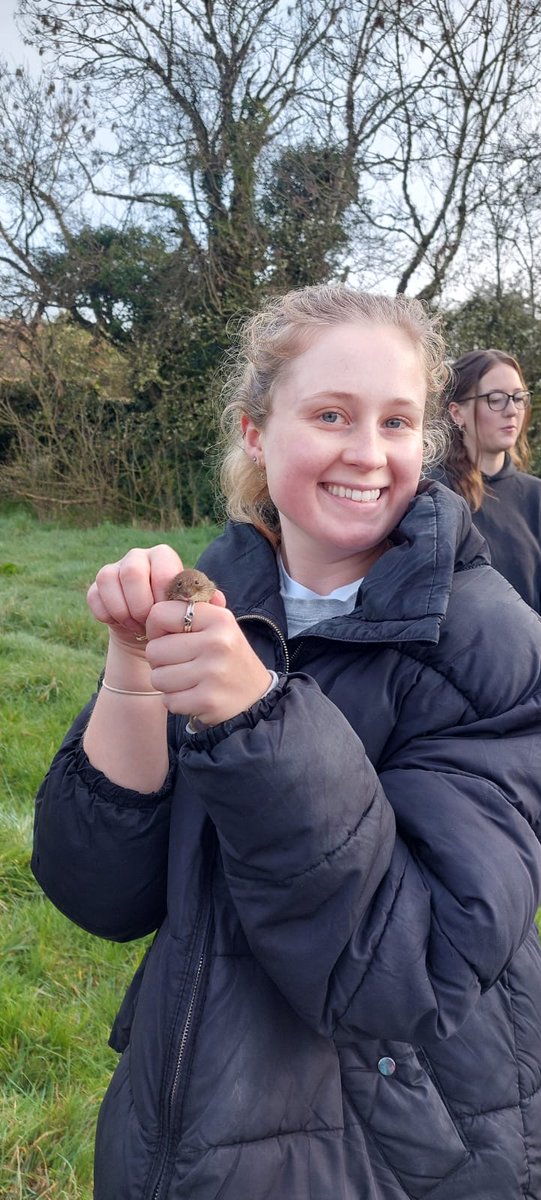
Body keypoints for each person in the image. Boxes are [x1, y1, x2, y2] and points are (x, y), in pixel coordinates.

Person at [32, 285, 541, 1200]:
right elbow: (99, 894)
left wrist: (255, 717)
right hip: (178, 1124)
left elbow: (407, 975)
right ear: (257, 432)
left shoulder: (486, 641)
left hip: (396, 1154)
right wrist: (132, 666)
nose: (365, 452)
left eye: (396, 421)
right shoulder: (217, 600)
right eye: (331, 414)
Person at [435, 347, 541, 612]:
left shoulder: (535, 496)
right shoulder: (431, 494)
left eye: (518, 398)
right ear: (457, 413)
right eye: (496, 399)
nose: (512, 411)